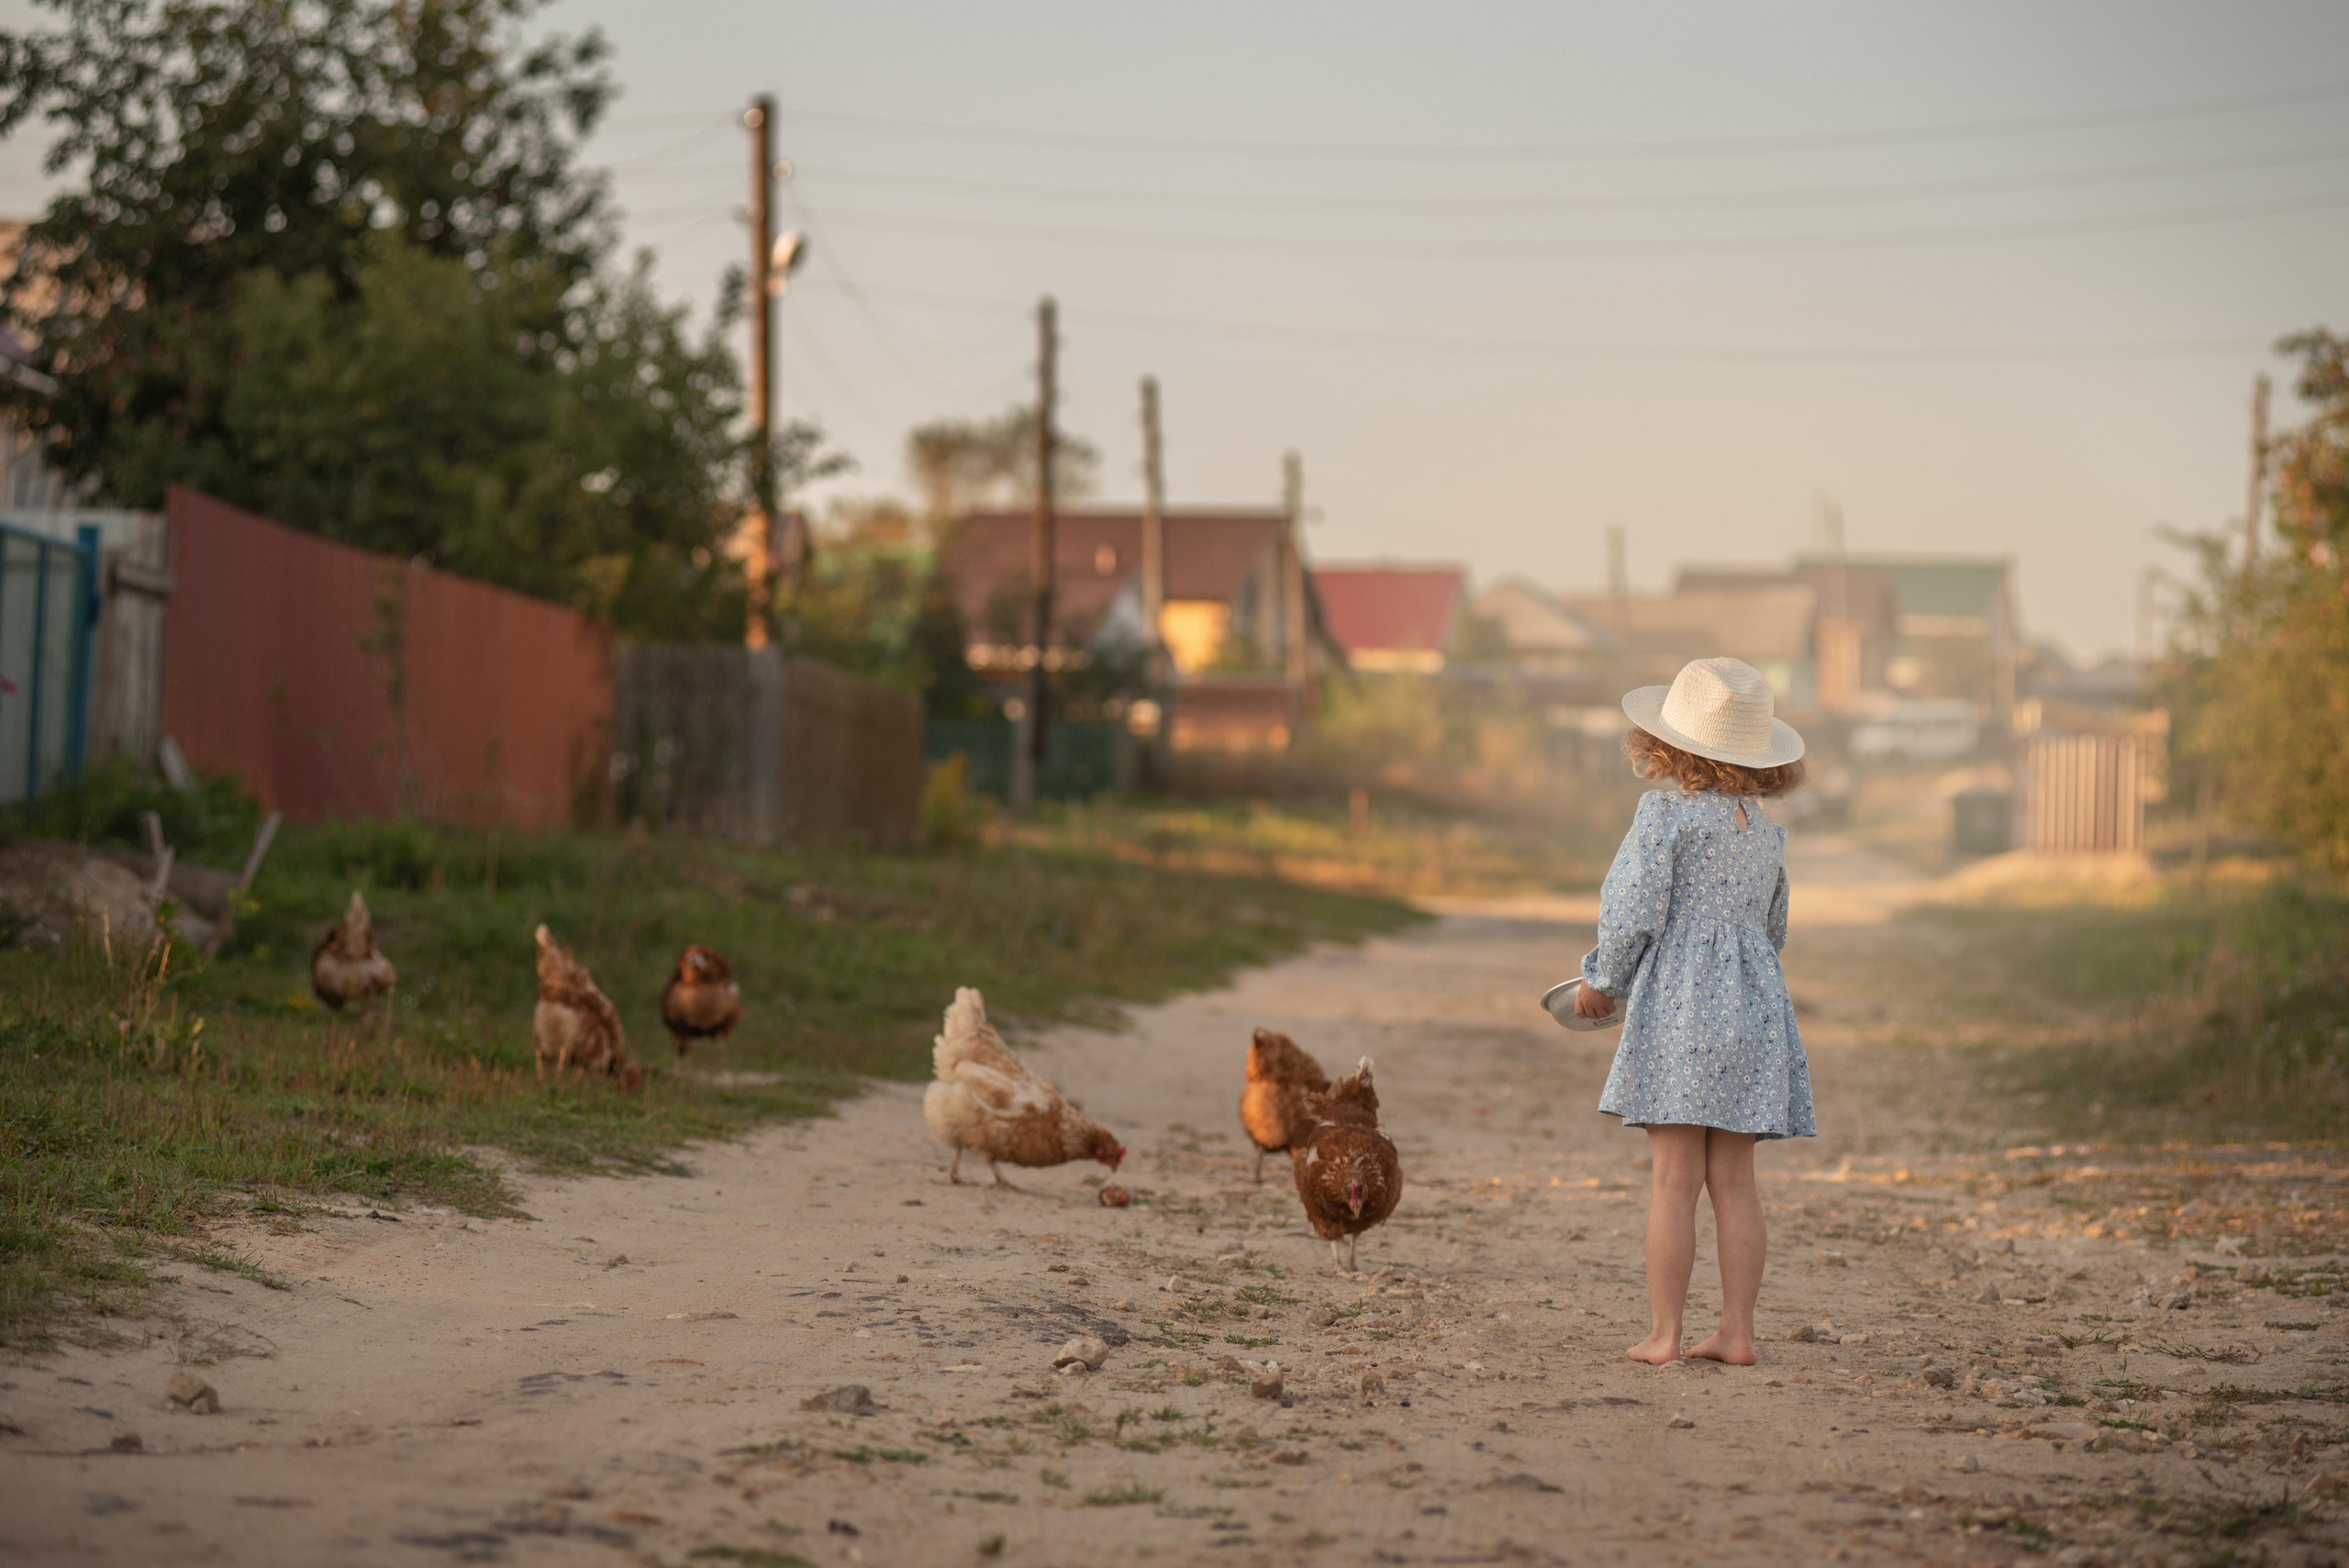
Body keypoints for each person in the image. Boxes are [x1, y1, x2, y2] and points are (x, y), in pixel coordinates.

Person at [1574, 657, 1815, 1365]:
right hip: (1755, 1012)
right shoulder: (1765, 834)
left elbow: (1633, 911)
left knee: (1674, 1181)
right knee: (1735, 1182)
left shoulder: (1664, 817)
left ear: (1666, 744)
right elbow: (1773, 930)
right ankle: (1738, 1333)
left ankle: (1665, 1334)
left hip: (1682, 1015)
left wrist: (1603, 978)